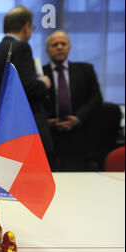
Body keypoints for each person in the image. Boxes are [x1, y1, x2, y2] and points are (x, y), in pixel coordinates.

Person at [0, 6, 53, 157]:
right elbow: (27, 87)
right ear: (26, 27)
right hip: (24, 131)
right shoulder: (21, 47)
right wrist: (44, 83)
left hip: (3, 131)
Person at [43, 31, 103, 171]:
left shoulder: (85, 70)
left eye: (63, 44)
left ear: (69, 47)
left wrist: (78, 118)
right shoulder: (39, 73)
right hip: (49, 135)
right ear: (47, 50)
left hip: (79, 133)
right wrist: (47, 121)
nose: (59, 47)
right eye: (55, 44)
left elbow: (96, 98)